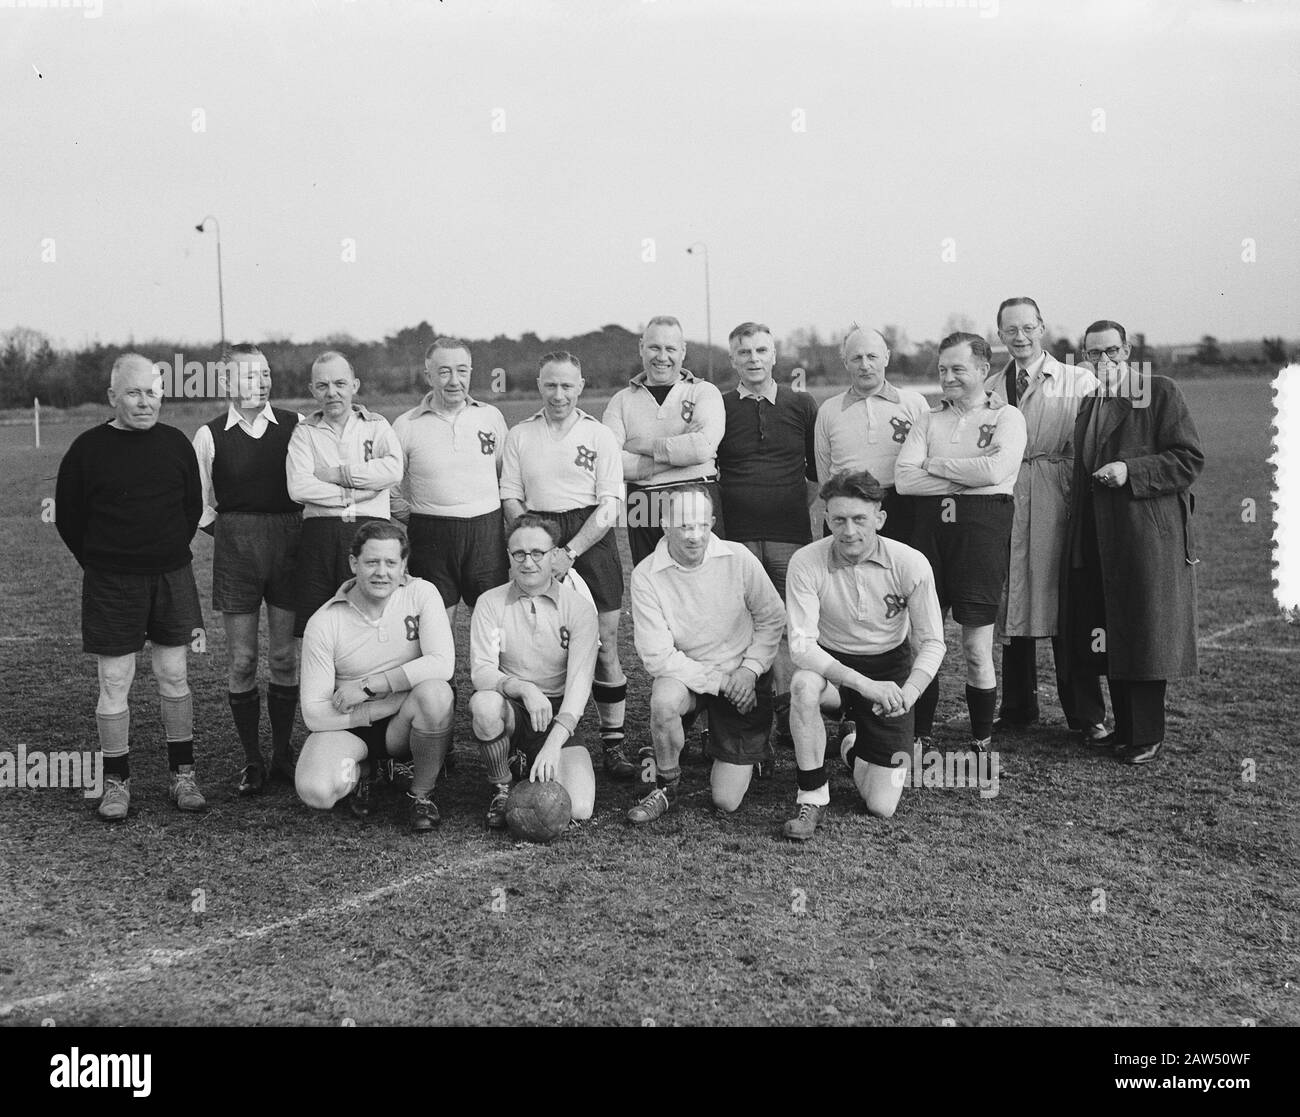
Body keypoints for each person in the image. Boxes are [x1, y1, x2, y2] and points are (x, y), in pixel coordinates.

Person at [55, 353, 205, 821]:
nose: (145, 402)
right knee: (115, 680)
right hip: (111, 581)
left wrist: (160, 554)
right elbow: (69, 518)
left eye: (153, 392)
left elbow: (191, 509)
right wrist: (105, 561)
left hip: (170, 575)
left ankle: (183, 775)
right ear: (113, 397)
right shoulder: (87, 449)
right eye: (134, 393)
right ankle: (117, 782)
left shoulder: (176, 443)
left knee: (174, 675)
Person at [1058, 320, 1204, 765]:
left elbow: (1188, 458)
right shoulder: (1089, 401)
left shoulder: (1159, 391)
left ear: (1128, 351)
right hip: (1100, 537)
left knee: (1143, 632)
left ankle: (1145, 735)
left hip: (1146, 537)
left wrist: (1130, 471)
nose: (1103, 361)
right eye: (1093, 353)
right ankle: (1124, 730)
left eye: (1112, 352)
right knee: (1113, 629)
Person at [782, 471, 946, 840]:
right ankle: (812, 797)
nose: (849, 530)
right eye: (838, 519)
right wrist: (863, 685)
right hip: (833, 671)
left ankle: (850, 745)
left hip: (889, 668)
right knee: (802, 685)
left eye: (859, 519)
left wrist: (909, 694)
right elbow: (802, 646)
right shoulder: (806, 561)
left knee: (880, 805)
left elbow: (934, 641)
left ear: (880, 519)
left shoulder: (910, 562)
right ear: (826, 519)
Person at [500, 352, 632, 779]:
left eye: (568, 386)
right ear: (539, 385)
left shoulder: (599, 436)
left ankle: (614, 745)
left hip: (590, 537)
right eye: (551, 385)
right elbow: (510, 496)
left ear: (581, 385)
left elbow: (611, 504)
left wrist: (569, 552)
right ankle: (529, 739)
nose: (559, 394)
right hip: (537, 533)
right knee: (536, 642)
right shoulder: (520, 435)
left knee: (605, 645)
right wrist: (536, 546)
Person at [895, 332, 1028, 752]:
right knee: (923, 639)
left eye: (957, 369)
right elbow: (903, 479)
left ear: (984, 370)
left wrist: (934, 467)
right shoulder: (929, 418)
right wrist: (965, 474)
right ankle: (921, 734)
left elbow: (996, 472)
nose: (947, 377)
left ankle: (981, 738)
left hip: (981, 534)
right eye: (942, 369)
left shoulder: (1008, 417)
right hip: (929, 534)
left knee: (974, 647)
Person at [627, 485, 785, 824]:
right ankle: (666, 786)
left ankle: (750, 746)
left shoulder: (739, 557)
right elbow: (657, 657)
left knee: (725, 800)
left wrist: (750, 671)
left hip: (741, 675)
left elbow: (772, 617)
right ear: (665, 524)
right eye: (684, 525)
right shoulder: (645, 576)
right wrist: (722, 683)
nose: (694, 535)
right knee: (664, 700)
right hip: (693, 678)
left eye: (701, 525)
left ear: (712, 522)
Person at [987, 298, 1107, 743]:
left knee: (1067, 603)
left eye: (1027, 327)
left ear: (1041, 328)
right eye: (1010, 330)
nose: (1019, 337)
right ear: (1000, 334)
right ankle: (1018, 707)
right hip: (1010, 499)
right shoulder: (991, 387)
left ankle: (1085, 712)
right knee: (1013, 597)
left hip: (1061, 498)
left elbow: (1096, 445)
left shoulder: (1078, 380)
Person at [192, 343, 303, 795]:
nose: (259, 383)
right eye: (247, 376)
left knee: (282, 656)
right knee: (241, 660)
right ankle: (251, 760)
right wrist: (234, 534)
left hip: (290, 546)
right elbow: (196, 504)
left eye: (264, 374)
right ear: (225, 383)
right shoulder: (210, 434)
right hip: (236, 550)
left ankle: (282, 754)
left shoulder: (297, 426)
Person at [295, 521, 455, 831]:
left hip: (404, 725)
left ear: (403, 564)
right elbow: (314, 713)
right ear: (354, 563)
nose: (382, 572)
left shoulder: (422, 594)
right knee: (317, 790)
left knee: (436, 694)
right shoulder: (324, 622)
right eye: (371, 562)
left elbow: (442, 664)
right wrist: (382, 705)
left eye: (391, 562)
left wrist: (371, 686)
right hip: (350, 729)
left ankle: (420, 794)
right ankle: (361, 770)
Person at [716, 321, 819, 748]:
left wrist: (784, 506)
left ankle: (787, 719)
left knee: (786, 631)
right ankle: (738, 721)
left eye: (761, 351)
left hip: (789, 537)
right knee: (736, 629)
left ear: (775, 355)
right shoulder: (719, 405)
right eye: (744, 353)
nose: (754, 360)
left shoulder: (801, 404)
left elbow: (816, 472)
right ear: (733, 359)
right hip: (735, 540)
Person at [469, 514, 599, 828]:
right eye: (519, 554)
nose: (528, 562)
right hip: (515, 707)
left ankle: (529, 758)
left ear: (555, 555)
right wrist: (524, 689)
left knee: (579, 808)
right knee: (483, 705)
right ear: (509, 557)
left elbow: (580, 685)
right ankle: (501, 786)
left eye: (538, 553)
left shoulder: (579, 608)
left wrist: (554, 743)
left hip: (558, 713)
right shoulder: (489, 603)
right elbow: (482, 672)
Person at [391, 337, 509, 631]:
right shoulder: (406, 425)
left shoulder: (490, 416)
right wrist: (419, 517)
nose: (454, 381)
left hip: (486, 533)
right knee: (437, 624)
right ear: (428, 375)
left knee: (494, 622)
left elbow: (508, 477)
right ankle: (443, 678)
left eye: (462, 371)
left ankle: (498, 677)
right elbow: (389, 489)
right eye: (444, 372)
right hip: (431, 538)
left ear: (471, 372)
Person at [286, 351, 402, 638]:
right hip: (319, 536)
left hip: (371, 531)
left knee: (370, 622)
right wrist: (352, 495)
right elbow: (299, 487)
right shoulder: (304, 433)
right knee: (315, 626)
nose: (332, 393)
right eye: (322, 386)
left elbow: (393, 470)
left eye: (340, 383)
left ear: (355, 385)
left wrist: (340, 475)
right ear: (313, 390)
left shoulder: (377, 425)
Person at [602, 315, 726, 566]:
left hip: (696, 492)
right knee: (651, 579)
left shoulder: (704, 391)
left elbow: (701, 448)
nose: (662, 356)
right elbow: (610, 463)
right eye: (654, 348)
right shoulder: (620, 400)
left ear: (683, 351)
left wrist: (641, 446)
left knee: (704, 579)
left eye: (670, 349)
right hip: (642, 501)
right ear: (641, 348)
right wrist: (682, 454)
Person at [814, 325, 928, 543]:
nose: (865, 365)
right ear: (846, 362)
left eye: (872, 356)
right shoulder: (828, 410)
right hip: (848, 506)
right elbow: (824, 471)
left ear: (886, 358)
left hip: (904, 507)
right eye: (856, 358)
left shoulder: (914, 403)